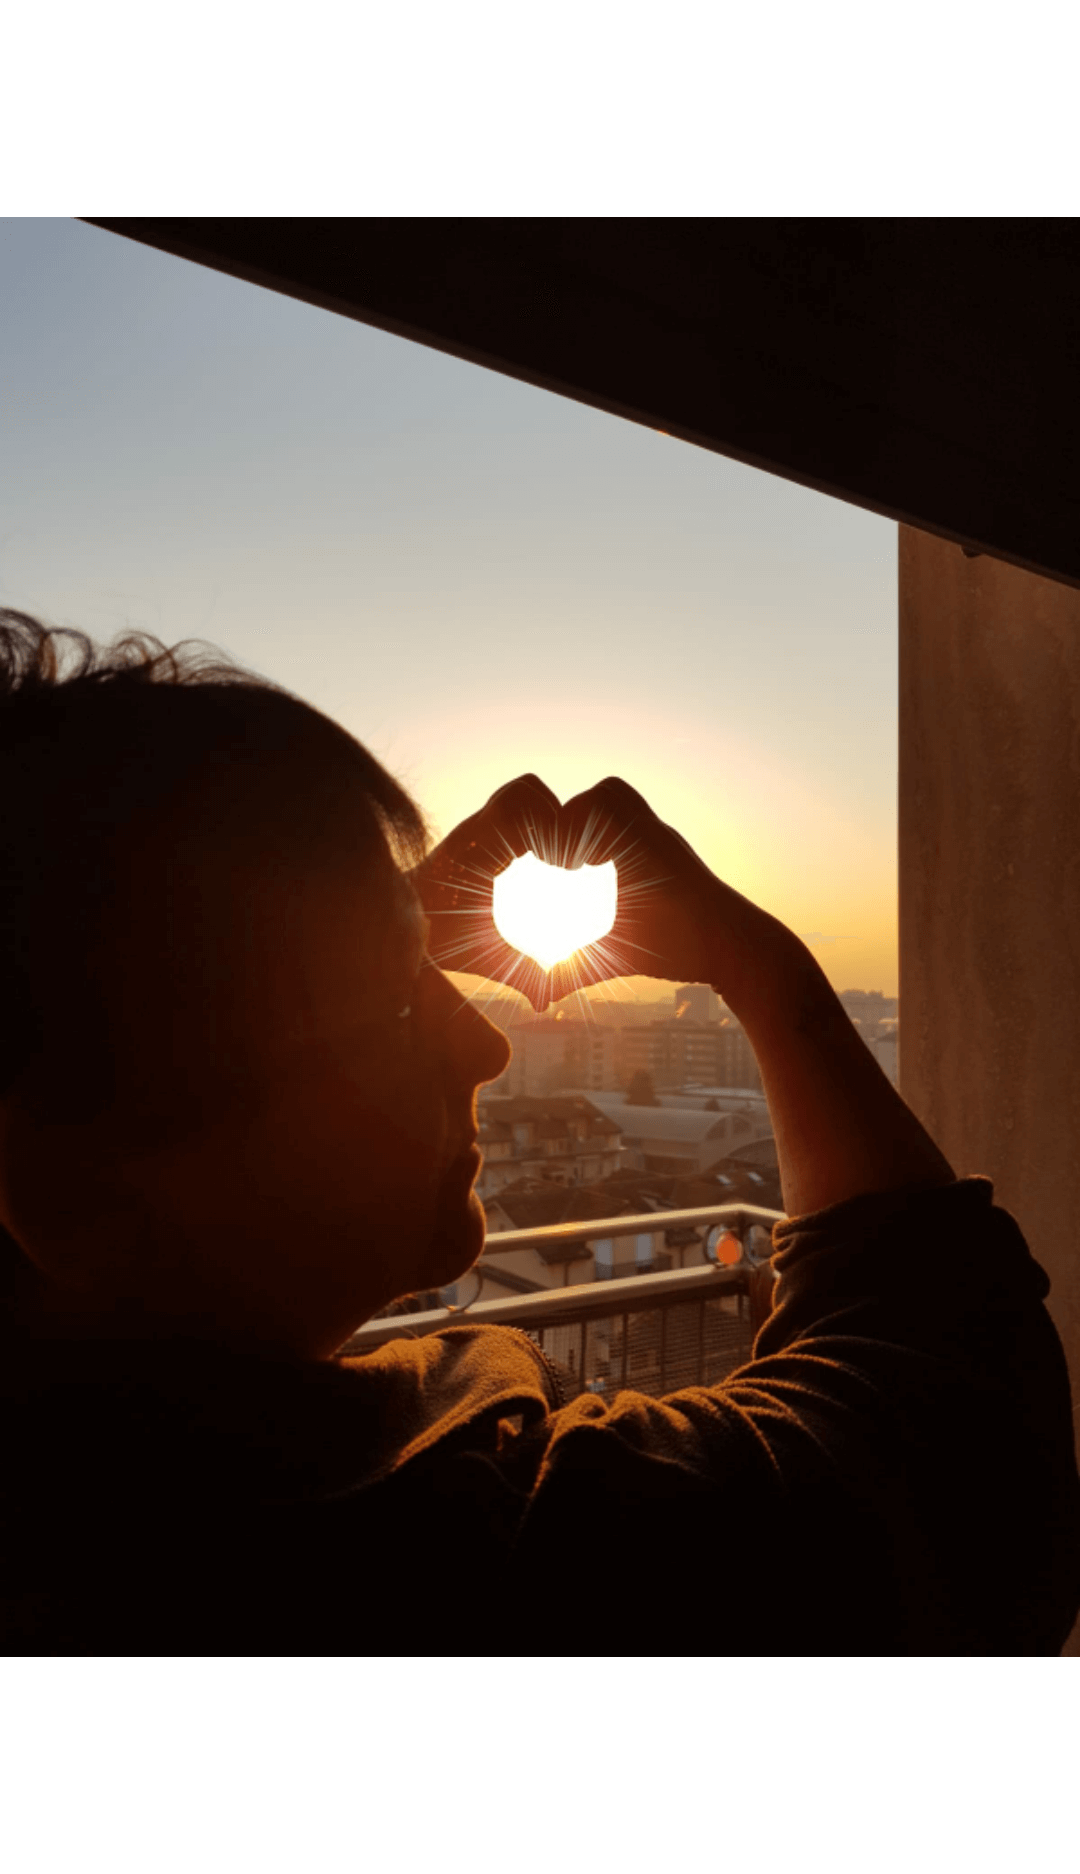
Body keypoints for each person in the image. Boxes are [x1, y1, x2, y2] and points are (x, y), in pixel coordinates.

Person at [1, 609, 1078, 1657]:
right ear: (64, 1187)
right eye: (392, 999)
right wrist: (756, 963)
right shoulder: (466, 1544)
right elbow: (957, 1463)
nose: (485, 1047)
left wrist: (340, 936)